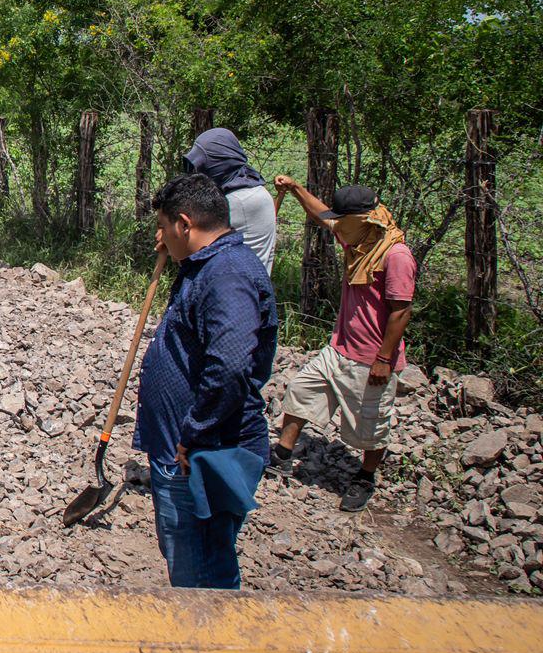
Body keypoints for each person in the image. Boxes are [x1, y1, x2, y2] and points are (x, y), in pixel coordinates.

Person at [136, 174, 279, 589]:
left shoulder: (227, 276)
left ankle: (206, 631)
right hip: (186, 448)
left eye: (163, 227)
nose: (160, 237)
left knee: (202, 576)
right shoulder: (206, 264)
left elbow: (230, 366)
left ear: (184, 223)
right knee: (189, 558)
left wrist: (195, 432)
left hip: (202, 454)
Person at [268, 178, 415, 512]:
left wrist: (383, 358)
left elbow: (401, 311)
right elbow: (323, 216)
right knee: (302, 391)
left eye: (342, 219)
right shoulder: (358, 240)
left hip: (371, 357)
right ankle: (282, 455)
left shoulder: (395, 256)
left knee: (371, 425)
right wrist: (296, 189)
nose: (336, 224)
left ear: (361, 219)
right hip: (339, 348)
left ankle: (365, 477)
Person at [183, 128, 278, 274]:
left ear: (219, 163)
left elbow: (191, 247)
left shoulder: (239, 201)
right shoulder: (251, 188)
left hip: (236, 282)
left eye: (204, 165)